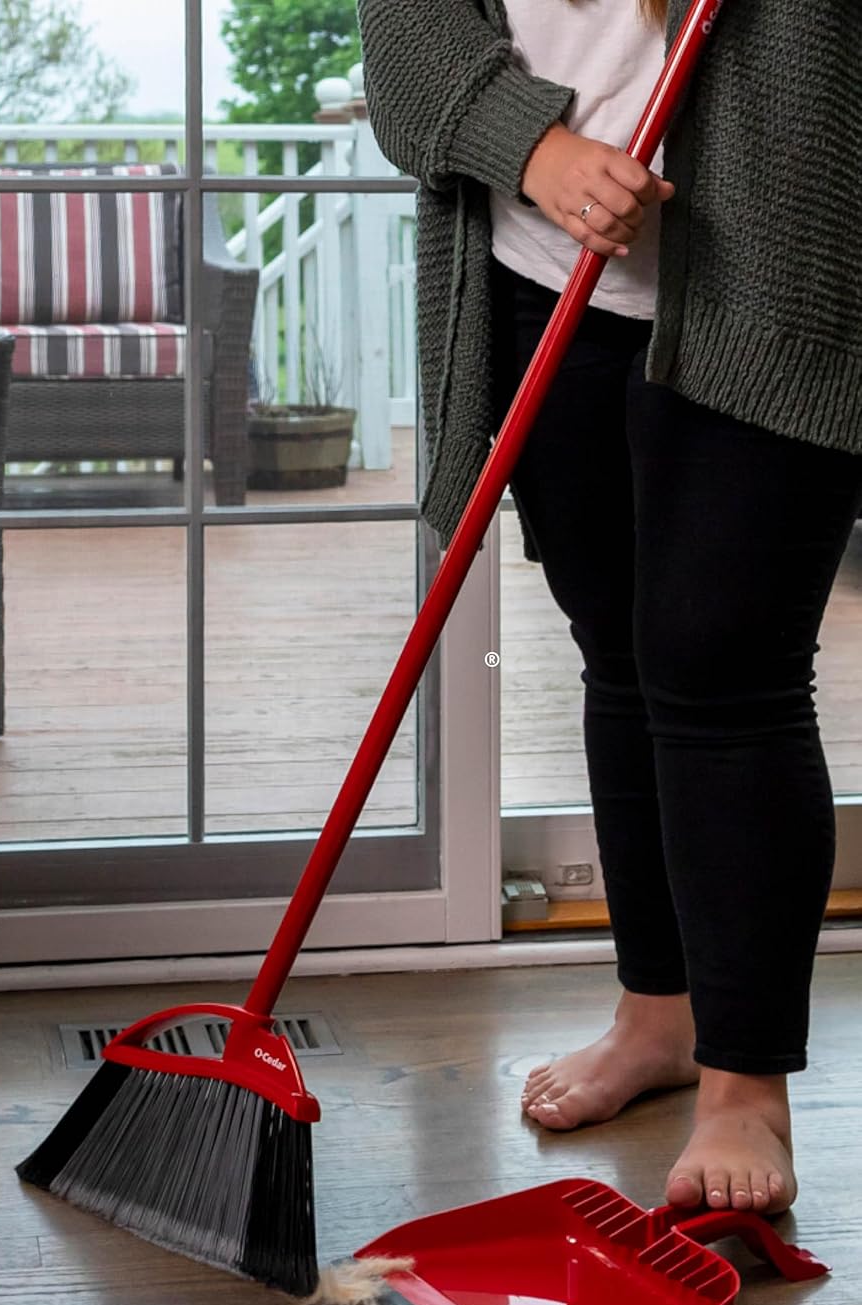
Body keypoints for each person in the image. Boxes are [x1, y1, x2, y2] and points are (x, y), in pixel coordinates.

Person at [359, 0, 862, 1213]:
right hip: (545, 284)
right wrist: (532, 148)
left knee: (725, 674)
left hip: (773, 298)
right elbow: (407, 43)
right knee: (622, 660)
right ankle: (658, 1014)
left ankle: (745, 1086)